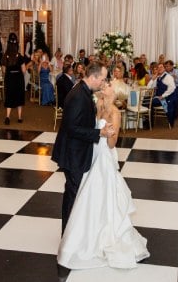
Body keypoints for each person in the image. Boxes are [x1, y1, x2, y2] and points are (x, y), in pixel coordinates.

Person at [57, 80, 149, 269]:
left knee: (103, 194)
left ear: (114, 93)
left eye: (108, 86)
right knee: (87, 195)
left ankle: (103, 235)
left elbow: (111, 144)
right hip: (92, 153)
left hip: (104, 157)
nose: (104, 86)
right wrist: (98, 129)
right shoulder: (97, 104)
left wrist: (107, 133)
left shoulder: (115, 113)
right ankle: (87, 232)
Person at [52, 62, 116, 234]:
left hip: (77, 151)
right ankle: (67, 235)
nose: (103, 83)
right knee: (73, 195)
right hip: (72, 154)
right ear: (93, 77)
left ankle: (72, 233)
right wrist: (99, 133)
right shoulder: (78, 95)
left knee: (76, 194)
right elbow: (72, 128)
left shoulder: (84, 91)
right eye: (102, 79)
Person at [2, 36, 30, 124]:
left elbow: (3, 70)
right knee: (19, 97)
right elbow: (24, 71)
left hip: (9, 78)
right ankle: (19, 117)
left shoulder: (5, 56)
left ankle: (7, 117)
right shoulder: (20, 57)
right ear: (16, 45)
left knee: (9, 96)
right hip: (18, 79)